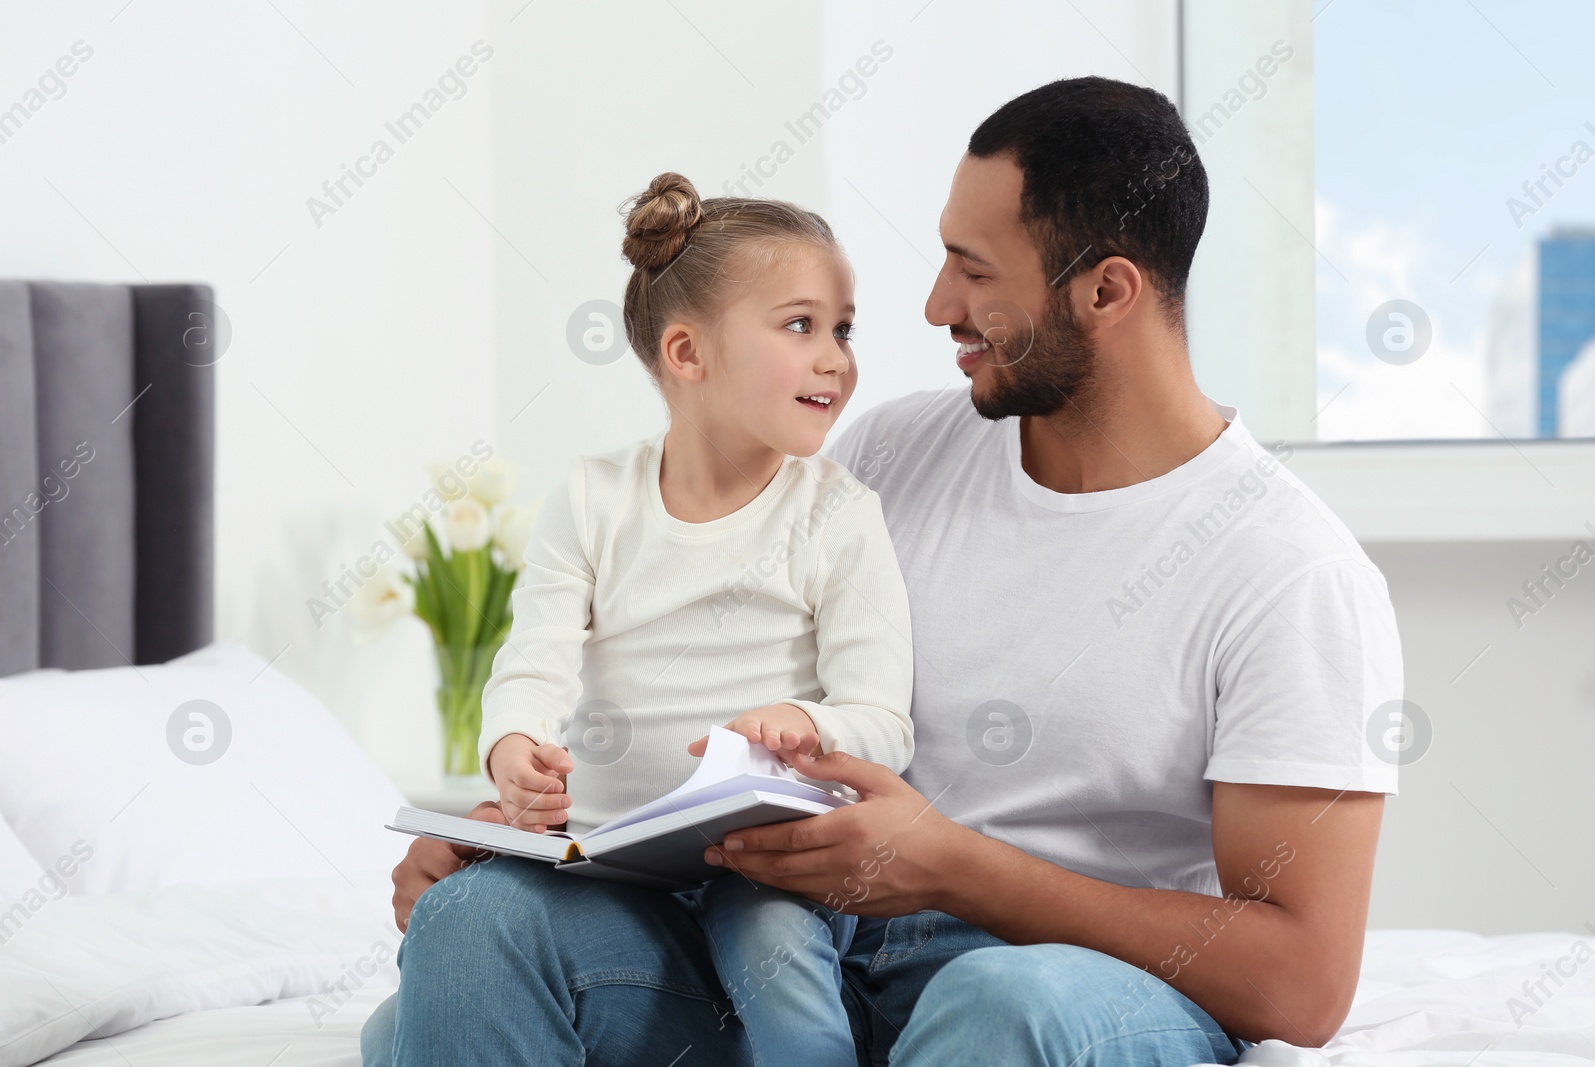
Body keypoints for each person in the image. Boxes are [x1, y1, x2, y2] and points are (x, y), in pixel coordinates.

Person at [364, 76, 1401, 1067]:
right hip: (802, 959)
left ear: (1104, 290)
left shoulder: (1286, 571)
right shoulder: (889, 458)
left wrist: (951, 865)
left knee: (997, 1004)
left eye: (974, 269)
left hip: (1061, 991)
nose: (934, 303)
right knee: (480, 926)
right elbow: (696, 695)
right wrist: (514, 840)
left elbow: (1301, 982)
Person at [466, 170, 913, 1067]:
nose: (836, 355)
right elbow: (534, 659)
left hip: (772, 856)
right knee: (440, 964)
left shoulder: (838, 512)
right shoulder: (596, 497)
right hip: (614, 860)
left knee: (770, 944)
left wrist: (807, 726)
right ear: (687, 352)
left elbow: (887, 724)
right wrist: (512, 748)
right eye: (801, 325)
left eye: (844, 327)